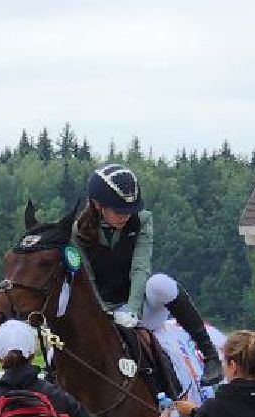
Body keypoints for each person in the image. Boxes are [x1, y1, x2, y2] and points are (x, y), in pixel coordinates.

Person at [73, 162, 223, 385]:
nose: (125, 216)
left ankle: (209, 354)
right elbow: (89, 279)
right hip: (104, 310)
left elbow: (140, 267)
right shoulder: (79, 232)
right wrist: (104, 314)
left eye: (129, 210)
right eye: (119, 210)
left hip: (141, 309)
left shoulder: (142, 220)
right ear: (97, 205)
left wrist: (132, 313)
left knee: (159, 283)